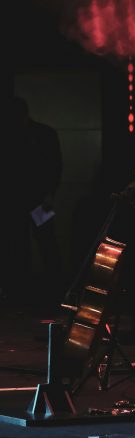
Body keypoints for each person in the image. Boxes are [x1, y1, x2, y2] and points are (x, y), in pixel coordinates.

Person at [0, 96, 64, 311]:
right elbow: (55, 166)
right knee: (27, 244)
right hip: (29, 200)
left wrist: (49, 194)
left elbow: (54, 166)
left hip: (30, 199)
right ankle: (38, 292)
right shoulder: (42, 133)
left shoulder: (33, 134)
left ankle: (43, 292)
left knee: (37, 244)